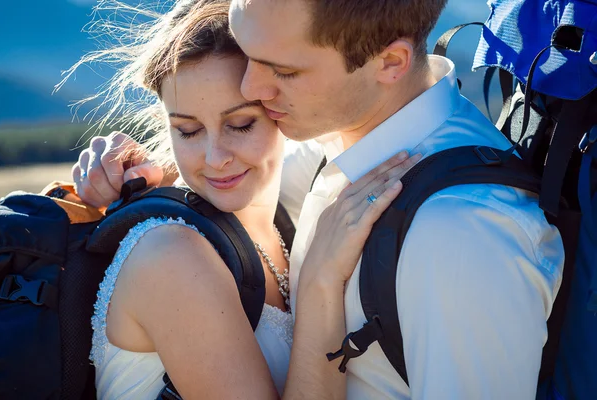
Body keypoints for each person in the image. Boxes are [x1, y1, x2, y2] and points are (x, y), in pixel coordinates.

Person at [78, 0, 565, 398]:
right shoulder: (326, 156)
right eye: (249, 52)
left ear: (389, 63)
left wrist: (319, 290)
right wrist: (141, 175)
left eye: (283, 71)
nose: (252, 86)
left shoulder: (461, 234)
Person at [64, 0, 418, 398]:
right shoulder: (170, 255)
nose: (216, 158)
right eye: (187, 131)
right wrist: (321, 281)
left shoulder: (284, 215)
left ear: (282, 109)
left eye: (240, 124)